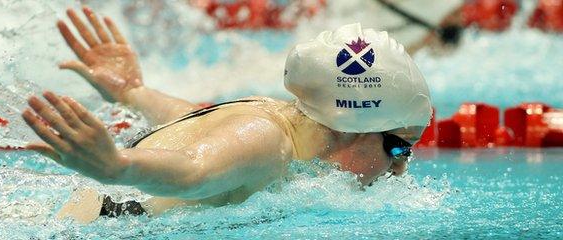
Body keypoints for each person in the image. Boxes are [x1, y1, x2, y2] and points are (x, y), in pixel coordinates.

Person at [22, 7, 432, 223]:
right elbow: (193, 168)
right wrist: (118, 165)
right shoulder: (268, 141)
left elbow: (197, 126)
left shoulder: (274, 117)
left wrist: (136, 93)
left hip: (56, 213)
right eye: (399, 148)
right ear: (354, 128)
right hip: (83, 227)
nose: (400, 170)